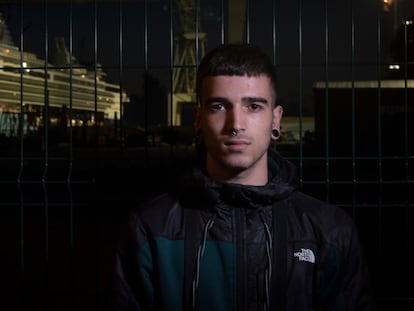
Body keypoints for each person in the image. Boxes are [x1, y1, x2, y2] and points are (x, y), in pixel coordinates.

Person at [111, 43, 376, 311]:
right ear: (198, 118)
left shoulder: (329, 231)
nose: (236, 124)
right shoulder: (150, 229)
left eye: (253, 106)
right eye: (219, 106)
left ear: (275, 120)